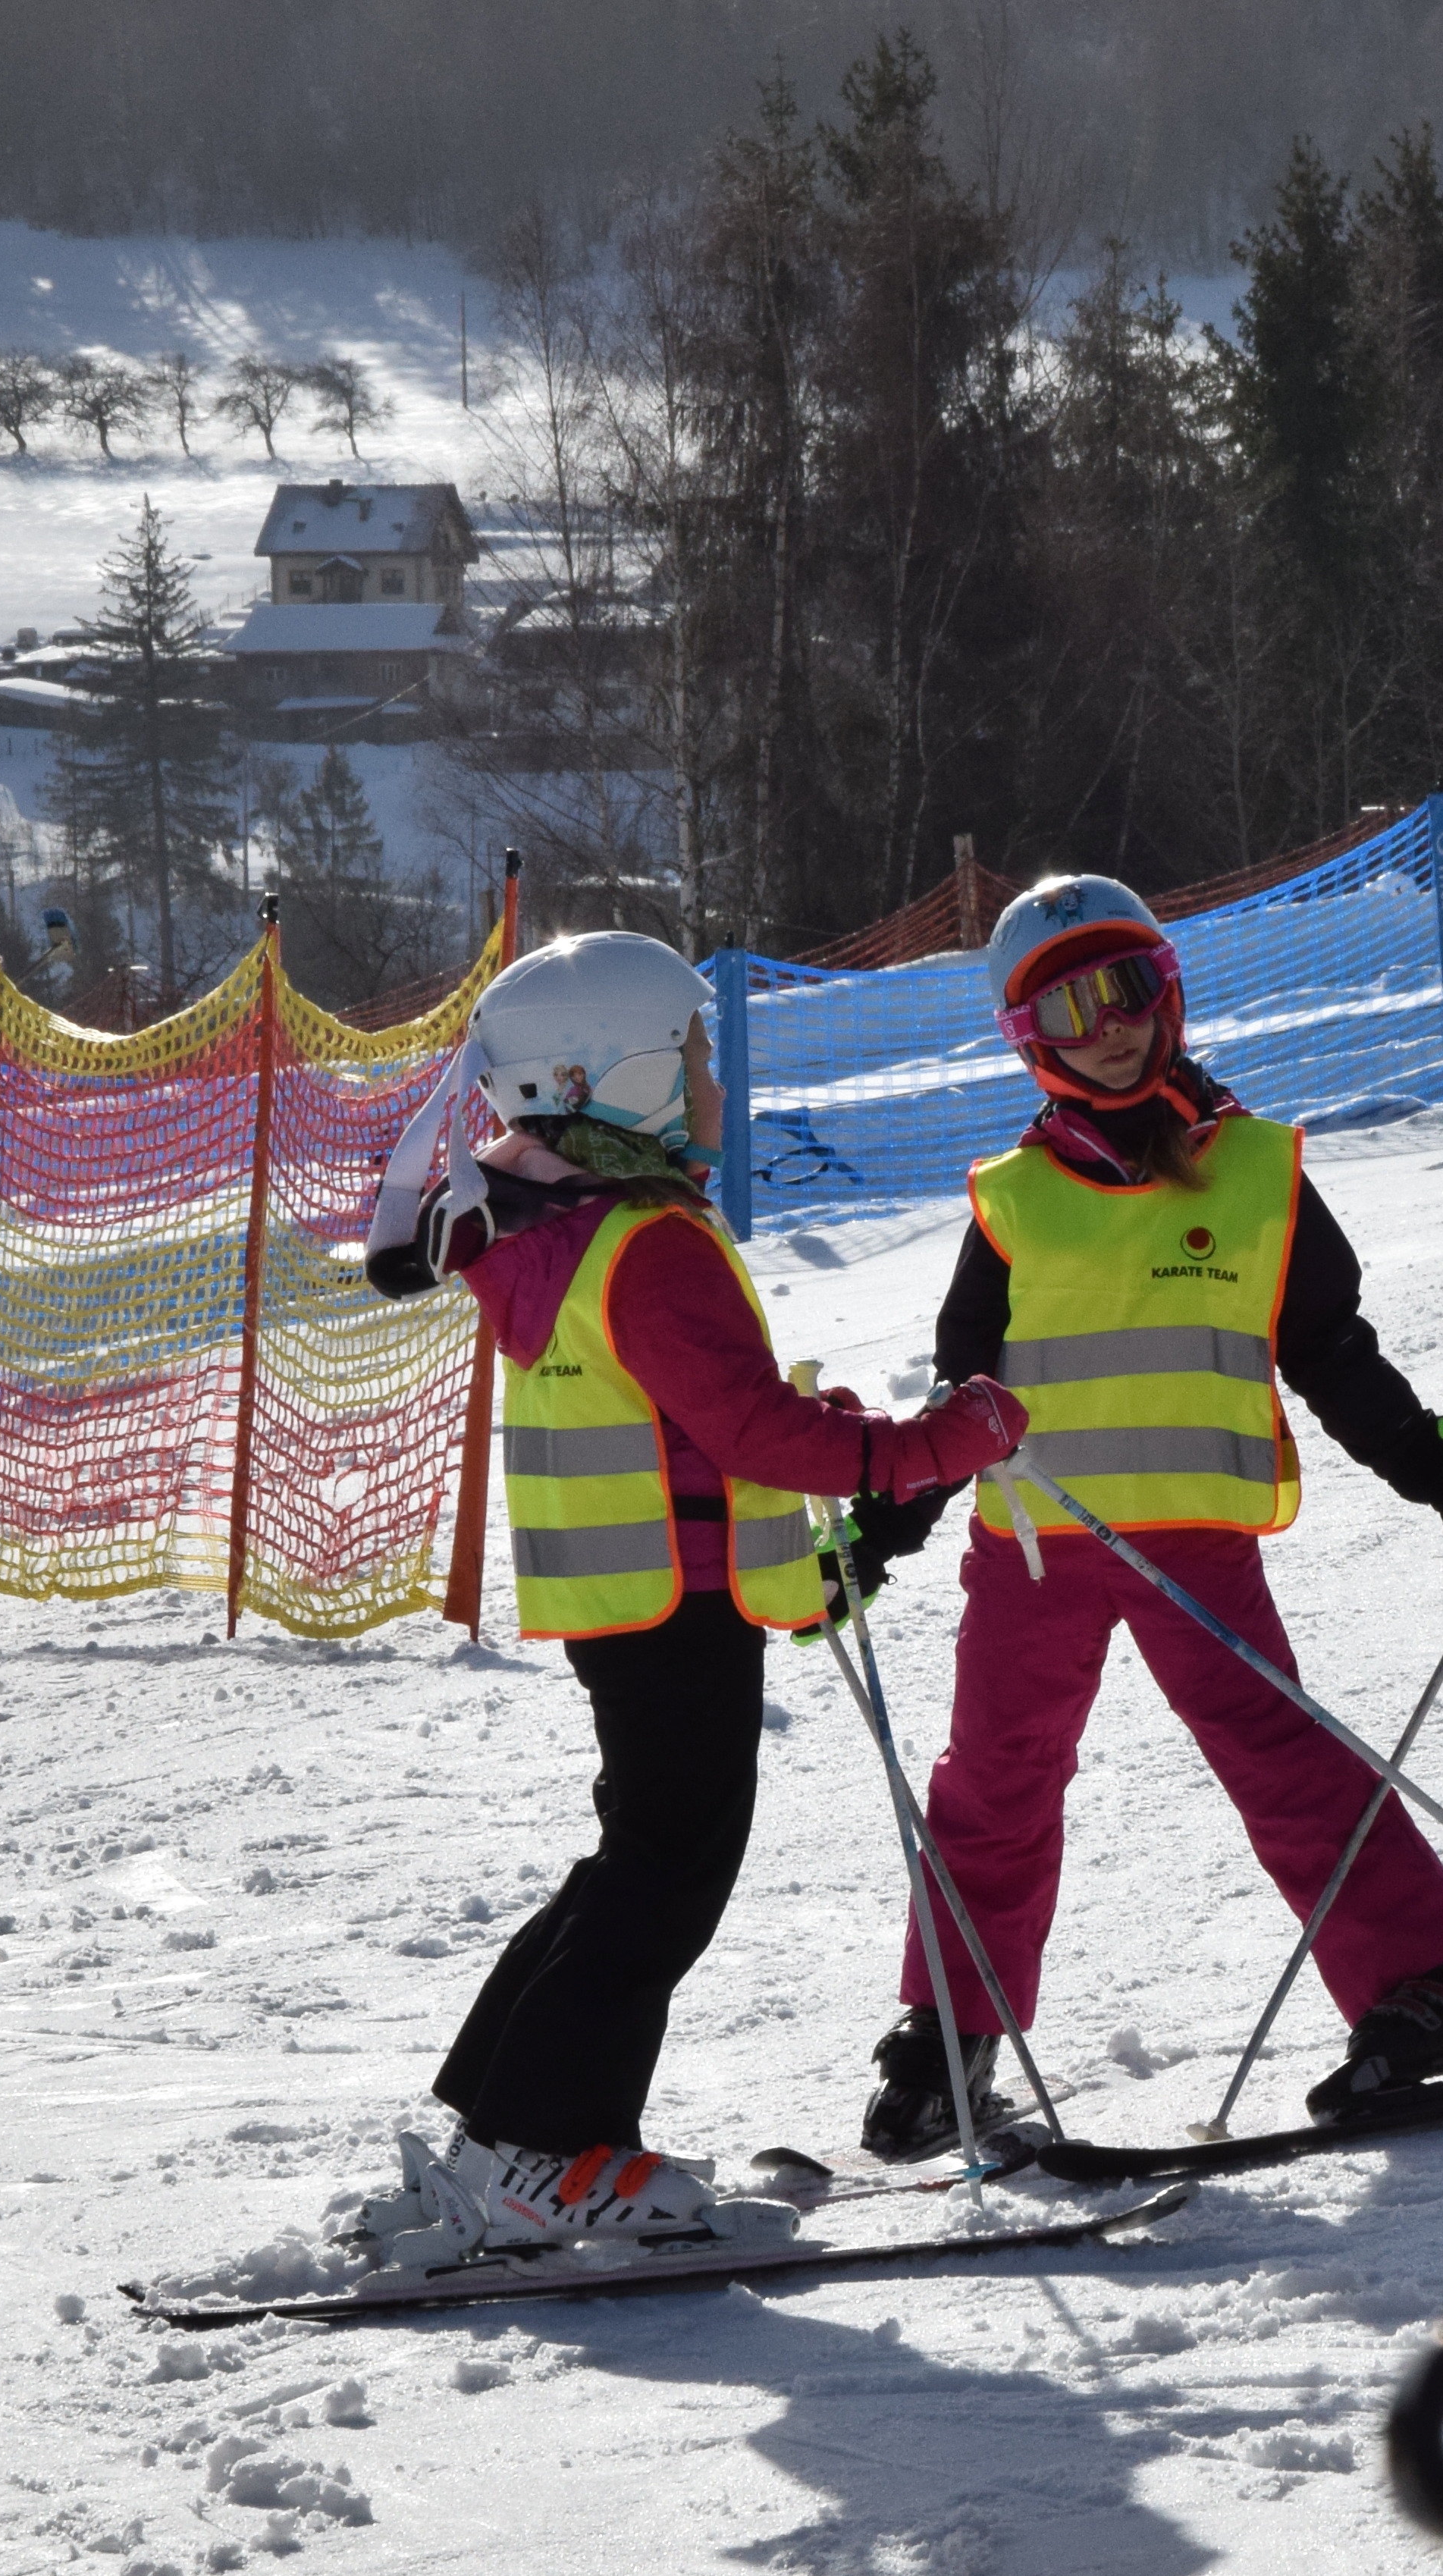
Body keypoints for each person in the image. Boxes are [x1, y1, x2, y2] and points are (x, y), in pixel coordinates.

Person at [849, 875, 1443, 2159]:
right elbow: (964, 1399)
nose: (1111, 1023)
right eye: (1071, 1007)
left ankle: (1431, 1997)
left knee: (1286, 1762)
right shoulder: (1015, 1200)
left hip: (1194, 1543)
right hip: (1035, 1548)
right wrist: (885, 1530)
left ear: (1167, 994)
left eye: (1127, 987)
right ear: (1033, 1040)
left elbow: (1336, 1357)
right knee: (995, 1784)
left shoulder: (1256, 1172)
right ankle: (946, 2046)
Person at [353, 930, 1031, 2246]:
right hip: (680, 1601)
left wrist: (811, 1415)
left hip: (633, 1597)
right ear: (624, 1075)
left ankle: (498, 2124)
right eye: (700, 1054)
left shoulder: (557, 1224)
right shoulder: (649, 1239)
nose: (720, 1080)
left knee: (636, 1858)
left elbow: (682, 1408)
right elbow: (753, 1440)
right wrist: (941, 1442)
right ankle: (547, 2152)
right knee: (669, 1873)